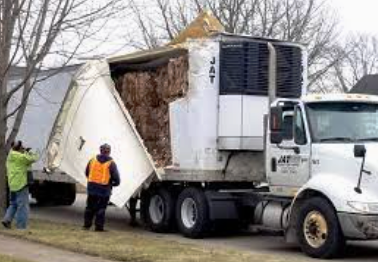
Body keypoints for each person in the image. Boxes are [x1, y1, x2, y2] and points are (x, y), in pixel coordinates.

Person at [2, 141, 38, 229]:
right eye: (22, 147)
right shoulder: (20, 157)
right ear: (19, 149)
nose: (23, 148)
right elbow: (33, 158)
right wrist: (30, 151)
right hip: (21, 184)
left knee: (13, 204)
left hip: (12, 184)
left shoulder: (10, 155)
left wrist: (23, 151)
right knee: (23, 206)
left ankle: (7, 219)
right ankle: (21, 227)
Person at [83, 143, 120, 232]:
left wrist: (92, 180)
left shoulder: (92, 160)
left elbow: (87, 172)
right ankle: (98, 227)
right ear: (109, 152)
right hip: (104, 190)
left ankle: (86, 225)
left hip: (92, 188)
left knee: (89, 207)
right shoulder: (111, 163)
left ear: (100, 150)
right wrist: (112, 184)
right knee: (101, 208)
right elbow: (117, 179)